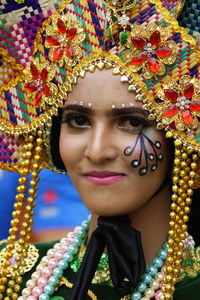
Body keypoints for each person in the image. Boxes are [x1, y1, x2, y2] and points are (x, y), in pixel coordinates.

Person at [0, 0, 199, 300]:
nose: (96, 151)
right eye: (78, 121)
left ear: (181, 135)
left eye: (131, 122)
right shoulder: (9, 277)